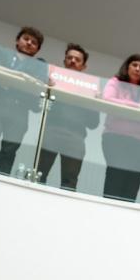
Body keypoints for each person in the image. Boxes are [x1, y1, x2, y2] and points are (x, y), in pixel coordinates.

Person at [0, 26, 48, 175]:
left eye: (34, 42)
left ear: (37, 49)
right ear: (17, 40)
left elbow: (37, 84)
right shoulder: (3, 52)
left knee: (10, 149)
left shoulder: (40, 65)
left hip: (20, 111)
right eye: (26, 39)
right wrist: (22, 76)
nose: (29, 43)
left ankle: (1, 179)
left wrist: (9, 76)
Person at [37, 43, 100, 190]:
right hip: (51, 131)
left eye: (77, 60)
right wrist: (48, 88)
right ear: (64, 61)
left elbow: (93, 124)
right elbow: (39, 108)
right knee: (39, 175)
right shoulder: (54, 81)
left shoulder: (90, 88)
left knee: (69, 181)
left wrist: (94, 101)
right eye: (69, 58)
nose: (72, 61)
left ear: (83, 66)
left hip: (76, 137)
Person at [101, 54, 140, 202]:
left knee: (131, 189)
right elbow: (107, 99)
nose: (138, 69)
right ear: (127, 66)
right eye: (135, 65)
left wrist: (122, 104)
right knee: (114, 182)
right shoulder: (115, 81)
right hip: (115, 139)